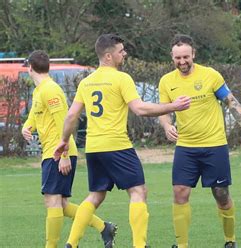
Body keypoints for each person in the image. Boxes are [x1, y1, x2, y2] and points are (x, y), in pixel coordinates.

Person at [53, 34, 191, 248]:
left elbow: (71, 116)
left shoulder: (86, 82)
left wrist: (63, 141)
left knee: (95, 196)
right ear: (108, 56)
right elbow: (140, 109)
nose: (124, 53)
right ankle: (139, 245)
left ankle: (71, 243)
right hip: (117, 145)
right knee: (138, 191)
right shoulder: (121, 78)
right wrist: (173, 106)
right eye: (121, 51)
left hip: (94, 148)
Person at [158, 34, 241, 248]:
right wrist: (167, 125)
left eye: (186, 57)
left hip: (214, 146)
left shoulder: (210, 75)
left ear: (193, 54)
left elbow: (231, 102)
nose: (182, 62)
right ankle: (181, 245)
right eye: (177, 58)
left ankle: (230, 241)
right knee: (180, 192)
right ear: (171, 57)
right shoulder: (166, 81)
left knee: (221, 194)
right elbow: (163, 110)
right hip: (186, 148)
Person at [21, 50, 117, 248]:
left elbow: (63, 123)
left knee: (52, 201)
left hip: (58, 154)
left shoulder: (51, 90)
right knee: (61, 205)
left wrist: (64, 155)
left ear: (30, 68)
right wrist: (27, 126)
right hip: (52, 153)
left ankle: (51, 246)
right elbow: (34, 114)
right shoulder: (39, 90)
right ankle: (104, 227)